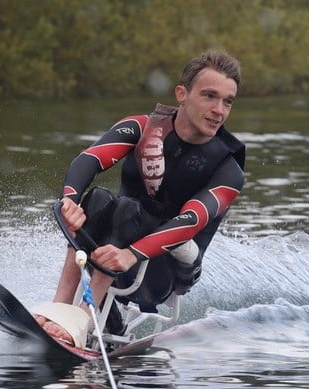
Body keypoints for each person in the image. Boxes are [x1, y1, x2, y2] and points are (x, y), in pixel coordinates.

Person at [33, 50, 246, 347]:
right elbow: (89, 159)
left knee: (127, 209)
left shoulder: (228, 170)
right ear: (182, 94)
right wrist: (69, 201)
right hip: (113, 251)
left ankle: (82, 319)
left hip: (160, 274)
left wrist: (131, 254)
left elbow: (191, 221)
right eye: (209, 96)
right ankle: (61, 309)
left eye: (228, 101)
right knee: (95, 200)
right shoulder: (141, 127)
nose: (219, 110)